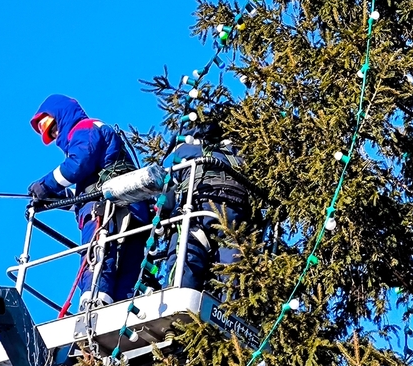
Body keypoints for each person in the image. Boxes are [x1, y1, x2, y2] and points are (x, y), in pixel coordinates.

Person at [28, 94, 147, 307]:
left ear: (62, 115)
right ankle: (122, 305)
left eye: (53, 127)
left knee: (97, 254)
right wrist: (56, 198)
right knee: (128, 265)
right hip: (133, 208)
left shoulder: (84, 128)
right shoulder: (96, 132)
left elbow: (78, 165)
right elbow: (88, 190)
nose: (55, 135)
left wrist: (45, 185)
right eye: (51, 133)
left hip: (105, 210)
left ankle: (93, 303)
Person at [162, 136, 251, 292]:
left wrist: (162, 218)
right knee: (232, 268)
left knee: (186, 259)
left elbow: (165, 190)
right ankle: (229, 302)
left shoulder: (182, 150)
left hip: (199, 209)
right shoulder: (236, 151)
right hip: (235, 213)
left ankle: (177, 295)